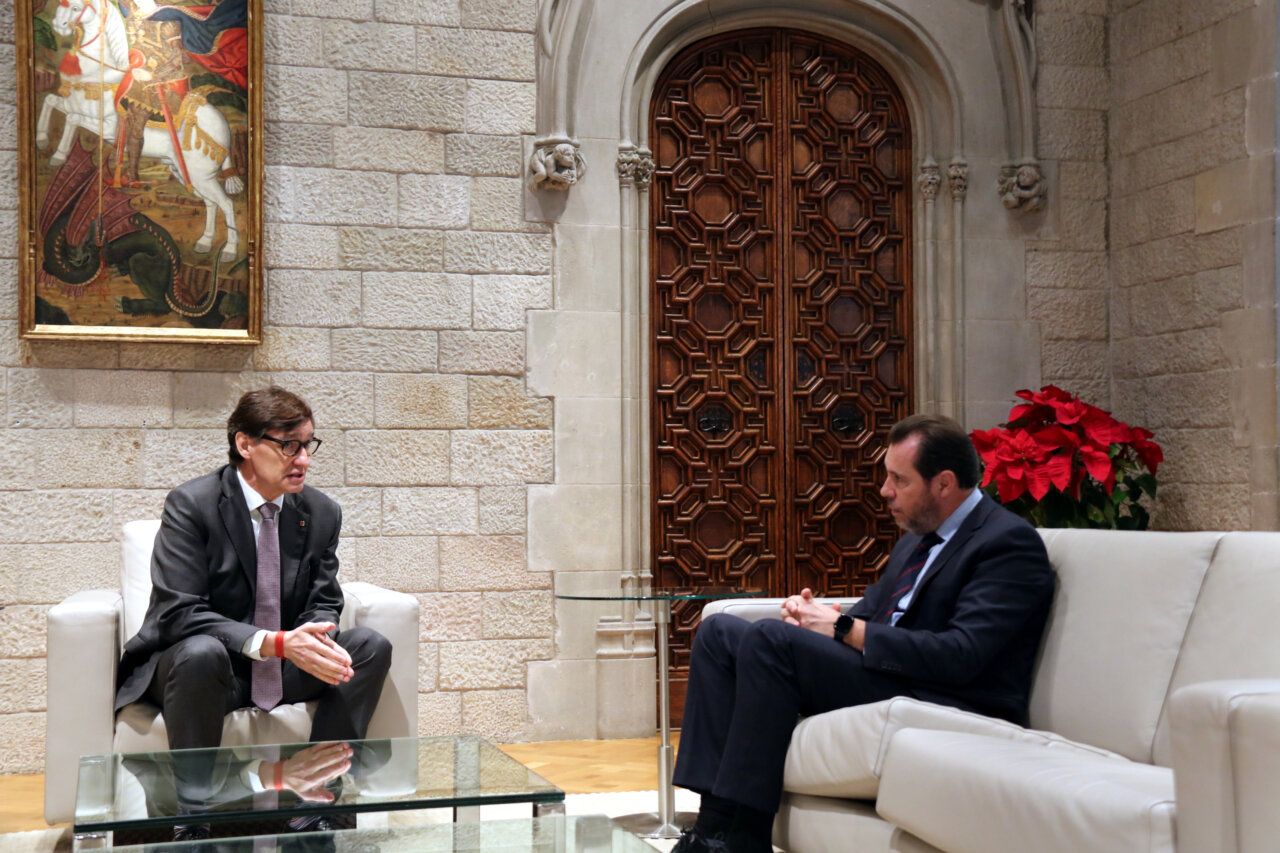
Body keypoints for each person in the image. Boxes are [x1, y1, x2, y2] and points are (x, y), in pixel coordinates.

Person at [671, 414, 1056, 853]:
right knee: (719, 632)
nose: (885, 490)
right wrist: (813, 620)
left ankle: (743, 838)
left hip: (946, 696)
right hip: (890, 677)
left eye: (899, 479)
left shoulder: (1007, 543)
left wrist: (840, 627)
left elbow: (961, 654)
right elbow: (870, 616)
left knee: (771, 641)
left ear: (944, 484)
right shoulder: (916, 540)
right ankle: (712, 828)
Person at [114, 386, 392, 838]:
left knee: (369, 646)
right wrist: (276, 643)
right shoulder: (193, 504)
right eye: (288, 445)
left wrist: (313, 637)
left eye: (308, 444)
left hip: (280, 668)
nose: (303, 459)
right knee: (201, 652)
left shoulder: (321, 512)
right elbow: (180, 611)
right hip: (205, 671)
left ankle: (315, 803)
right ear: (245, 444)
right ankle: (193, 818)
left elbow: (324, 598)